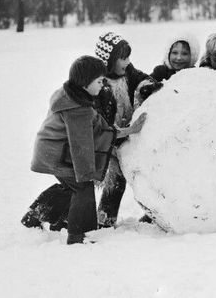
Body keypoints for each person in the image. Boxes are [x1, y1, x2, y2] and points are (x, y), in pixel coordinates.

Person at [21, 56, 146, 244]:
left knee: (70, 187)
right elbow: (82, 145)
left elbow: (100, 129)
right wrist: (87, 173)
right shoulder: (76, 109)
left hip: (54, 151)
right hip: (56, 154)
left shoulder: (78, 98)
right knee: (82, 189)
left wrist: (130, 130)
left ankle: (36, 215)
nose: (103, 84)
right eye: (98, 81)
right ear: (84, 83)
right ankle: (81, 234)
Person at [94, 32, 153, 228]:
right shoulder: (99, 86)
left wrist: (147, 86)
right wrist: (122, 132)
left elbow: (142, 78)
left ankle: (153, 212)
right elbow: (101, 124)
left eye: (129, 57)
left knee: (143, 176)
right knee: (115, 181)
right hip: (111, 140)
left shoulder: (127, 71)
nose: (127, 62)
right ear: (109, 61)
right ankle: (105, 218)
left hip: (129, 136)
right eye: (123, 58)